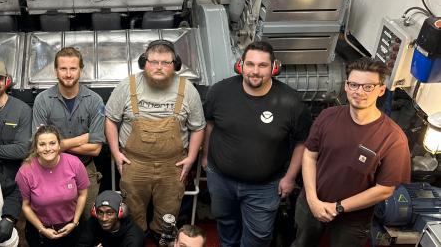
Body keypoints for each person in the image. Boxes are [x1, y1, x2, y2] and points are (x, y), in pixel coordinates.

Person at [201, 41, 310, 247]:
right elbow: (209, 124)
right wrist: (206, 157)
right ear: (240, 65)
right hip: (221, 180)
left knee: (258, 238)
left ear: (273, 68)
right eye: (250, 64)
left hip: (265, 187)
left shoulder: (291, 102)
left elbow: (301, 142)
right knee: (226, 226)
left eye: (262, 65)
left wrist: (289, 178)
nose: (255, 71)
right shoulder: (220, 92)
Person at [292, 58, 411, 247]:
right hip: (311, 205)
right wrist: (312, 199)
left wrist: (338, 207)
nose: (359, 92)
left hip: (352, 221)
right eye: (354, 84)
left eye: (368, 87)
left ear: (381, 90)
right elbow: (309, 155)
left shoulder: (394, 138)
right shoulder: (327, 117)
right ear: (346, 86)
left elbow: (385, 189)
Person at [104, 39, 205, 234]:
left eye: (165, 62)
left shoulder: (188, 90)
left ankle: (162, 238)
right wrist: (116, 152)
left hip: (172, 167)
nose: (159, 67)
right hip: (134, 165)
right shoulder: (127, 86)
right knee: (132, 217)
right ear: (145, 63)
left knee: (168, 218)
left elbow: (198, 127)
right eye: (154, 62)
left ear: (174, 65)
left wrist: (191, 157)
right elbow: (110, 119)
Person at [32, 47, 105, 220]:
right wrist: (83, 138)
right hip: (50, 171)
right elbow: (40, 146)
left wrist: (59, 145)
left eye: (73, 68)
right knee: (53, 219)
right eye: (63, 68)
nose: (68, 74)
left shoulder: (95, 101)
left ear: (81, 70)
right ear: (56, 71)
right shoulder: (42, 100)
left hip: (86, 169)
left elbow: (95, 149)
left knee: (86, 221)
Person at [16, 125, 89, 246]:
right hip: (40, 232)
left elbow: (83, 193)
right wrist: (42, 229)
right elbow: (25, 206)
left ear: (59, 145)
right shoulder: (25, 172)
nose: (48, 148)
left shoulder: (74, 163)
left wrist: (75, 222)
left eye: (52, 143)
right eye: (42, 144)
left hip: (72, 227)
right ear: (36, 147)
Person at [75, 190, 144, 247]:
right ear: (95, 212)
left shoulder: (133, 236)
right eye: (100, 212)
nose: (104, 218)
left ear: (120, 213)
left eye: (110, 213)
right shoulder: (92, 223)